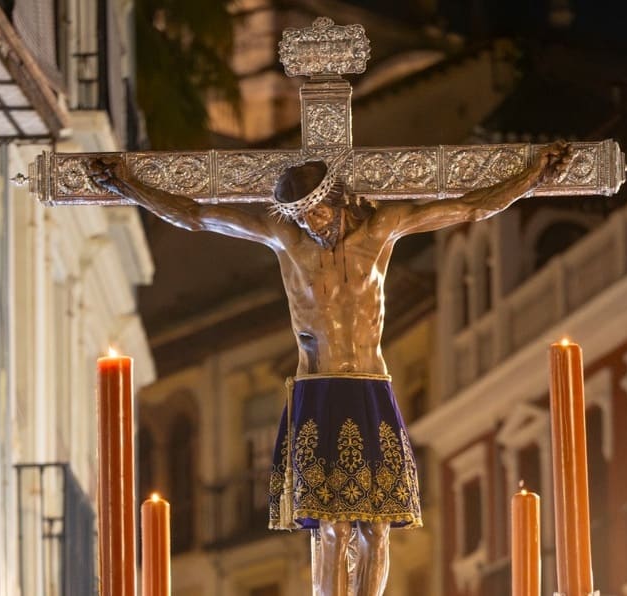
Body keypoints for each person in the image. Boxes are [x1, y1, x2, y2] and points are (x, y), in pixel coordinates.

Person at [88, 141, 571, 596]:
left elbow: (467, 208)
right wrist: (129, 186)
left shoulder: (383, 230)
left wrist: (533, 176)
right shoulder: (287, 241)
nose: (312, 223)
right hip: (317, 390)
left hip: (370, 387)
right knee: (332, 524)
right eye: (303, 216)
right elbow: (200, 217)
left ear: (337, 200)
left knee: (378, 525)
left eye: (317, 212)